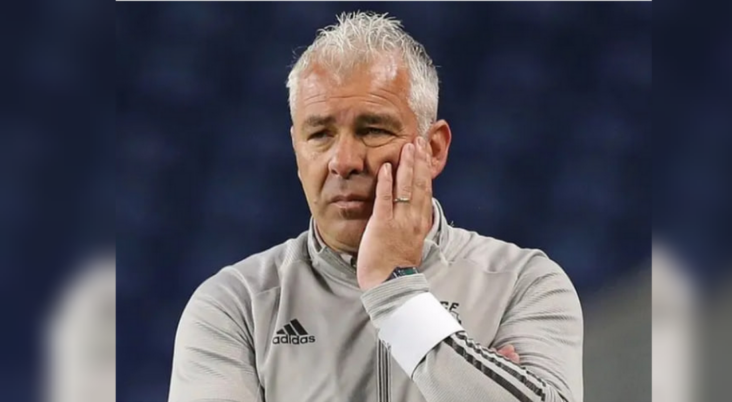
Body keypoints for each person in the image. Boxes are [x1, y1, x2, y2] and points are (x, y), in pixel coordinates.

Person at [168, 11, 583, 402]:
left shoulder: (522, 283)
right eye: (320, 135)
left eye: (372, 130)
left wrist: (395, 289)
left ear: (434, 149)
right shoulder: (235, 307)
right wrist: (467, 379)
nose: (344, 161)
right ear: (297, 150)